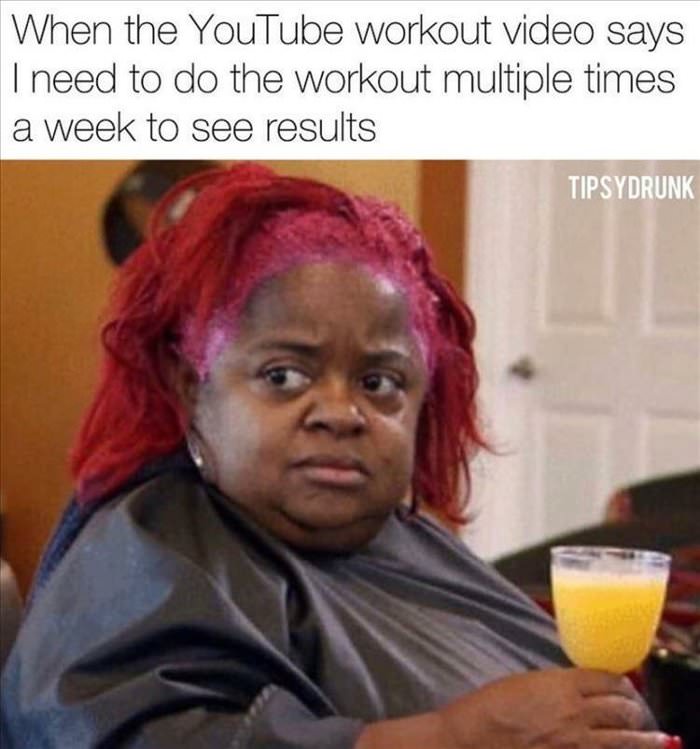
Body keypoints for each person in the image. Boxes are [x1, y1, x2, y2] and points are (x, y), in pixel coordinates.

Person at [0, 163, 679, 749]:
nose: (340, 412)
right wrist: (450, 737)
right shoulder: (149, 554)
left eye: (379, 383)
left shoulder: (410, 544)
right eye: (283, 375)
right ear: (191, 388)